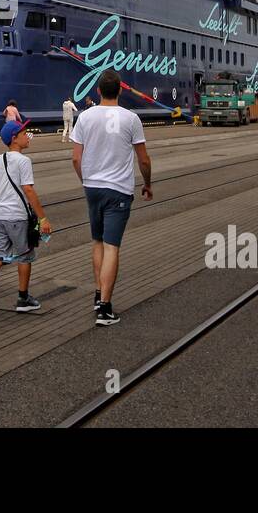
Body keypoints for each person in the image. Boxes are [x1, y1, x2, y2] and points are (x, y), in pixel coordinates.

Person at [71, 69, 152, 327]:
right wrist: (147, 184)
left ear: (98, 91)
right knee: (111, 247)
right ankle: (105, 308)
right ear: (120, 90)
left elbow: (75, 158)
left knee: (97, 242)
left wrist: (86, 180)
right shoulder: (131, 118)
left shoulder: (84, 117)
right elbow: (143, 159)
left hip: (92, 188)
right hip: (118, 190)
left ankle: (98, 293)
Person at [0, 119, 52, 319]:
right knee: (25, 255)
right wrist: (43, 218)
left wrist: (0, 195)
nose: (28, 135)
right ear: (15, 139)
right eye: (24, 133)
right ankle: (23, 298)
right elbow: (28, 190)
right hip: (16, 217)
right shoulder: (24, 161)